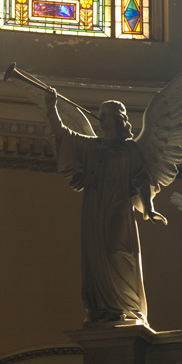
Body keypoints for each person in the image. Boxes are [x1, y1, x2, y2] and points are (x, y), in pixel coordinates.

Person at [45, 90, 164, 325]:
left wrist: (149, 208)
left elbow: (142, 179)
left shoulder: (130, 149)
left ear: (118, 119)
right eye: (100, 115)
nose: (101, 119)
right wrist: (52, 108)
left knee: (117, 252)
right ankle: (103, 309)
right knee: (95, 258)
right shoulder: (92, 147)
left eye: (105, 115)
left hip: (118, 209)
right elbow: (64, 135)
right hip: (93, 209)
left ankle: (128, 307)